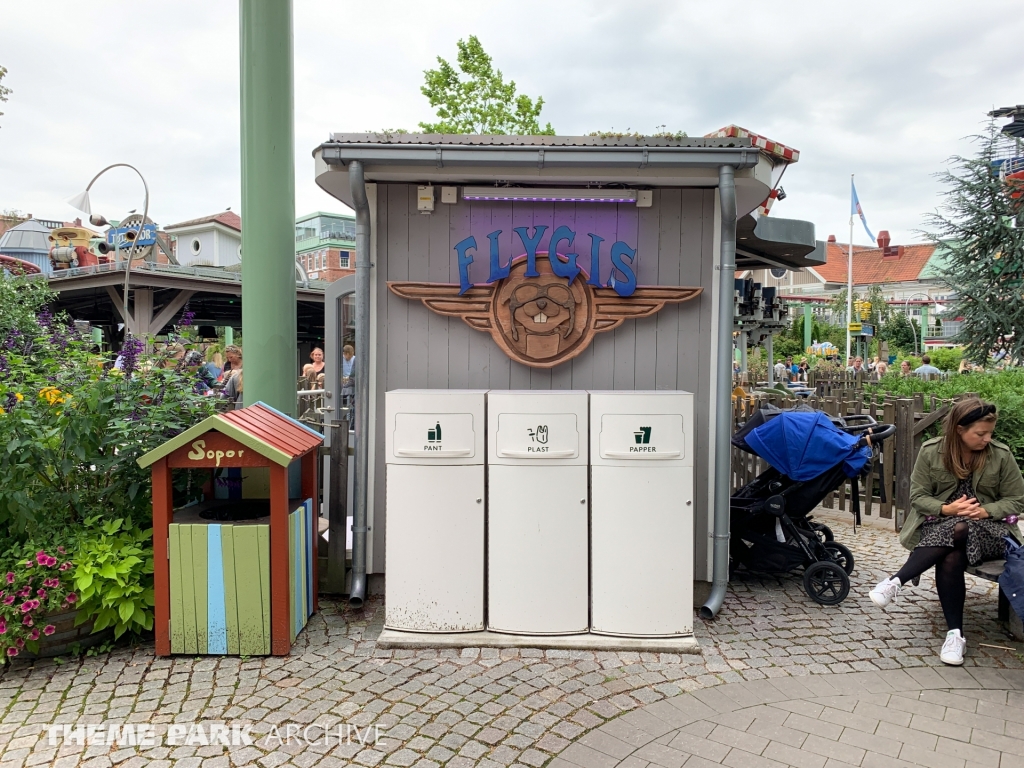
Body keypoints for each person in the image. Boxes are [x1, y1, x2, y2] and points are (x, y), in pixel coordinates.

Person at [869, 398, 1024, 665]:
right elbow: (917, 496)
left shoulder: (1000, 454)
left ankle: (895, 582)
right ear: (959, 429)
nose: (987, 439)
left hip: (992, 531)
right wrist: (946, 509)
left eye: (990, 433)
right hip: (941, 527)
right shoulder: (931, 452)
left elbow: (1017, 499)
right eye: (980, 433)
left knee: (962, 525)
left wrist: (987, 511)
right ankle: (955, 636)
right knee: (951, 556)